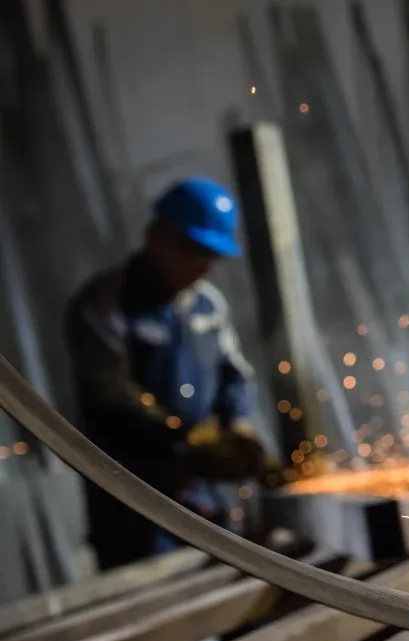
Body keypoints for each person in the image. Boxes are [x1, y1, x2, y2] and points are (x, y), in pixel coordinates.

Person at [66, 177, 277, 570]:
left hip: (204, 495)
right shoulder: (106, 303)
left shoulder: (207, 306)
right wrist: (187, 436)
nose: (204, 267)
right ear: (157, 237)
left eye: (210, 256)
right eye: (194, 252)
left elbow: (234, 373)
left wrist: (239, 426)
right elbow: (112, 394)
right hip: (134, 500)